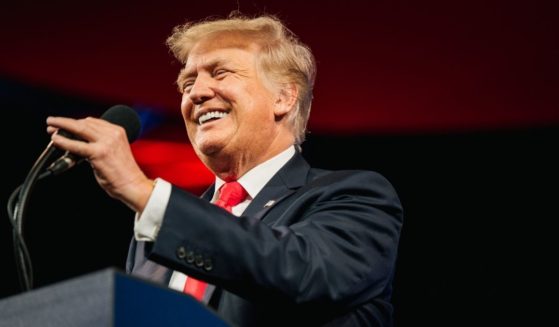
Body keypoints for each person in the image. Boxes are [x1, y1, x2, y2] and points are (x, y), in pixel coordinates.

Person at [46, 13, 403, 327]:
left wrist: (143, 191)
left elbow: (303, 272)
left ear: (283, 97)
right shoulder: (155, 230)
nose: (196, 92)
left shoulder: (357, 196)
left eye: (221, 73)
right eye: (187, 84)